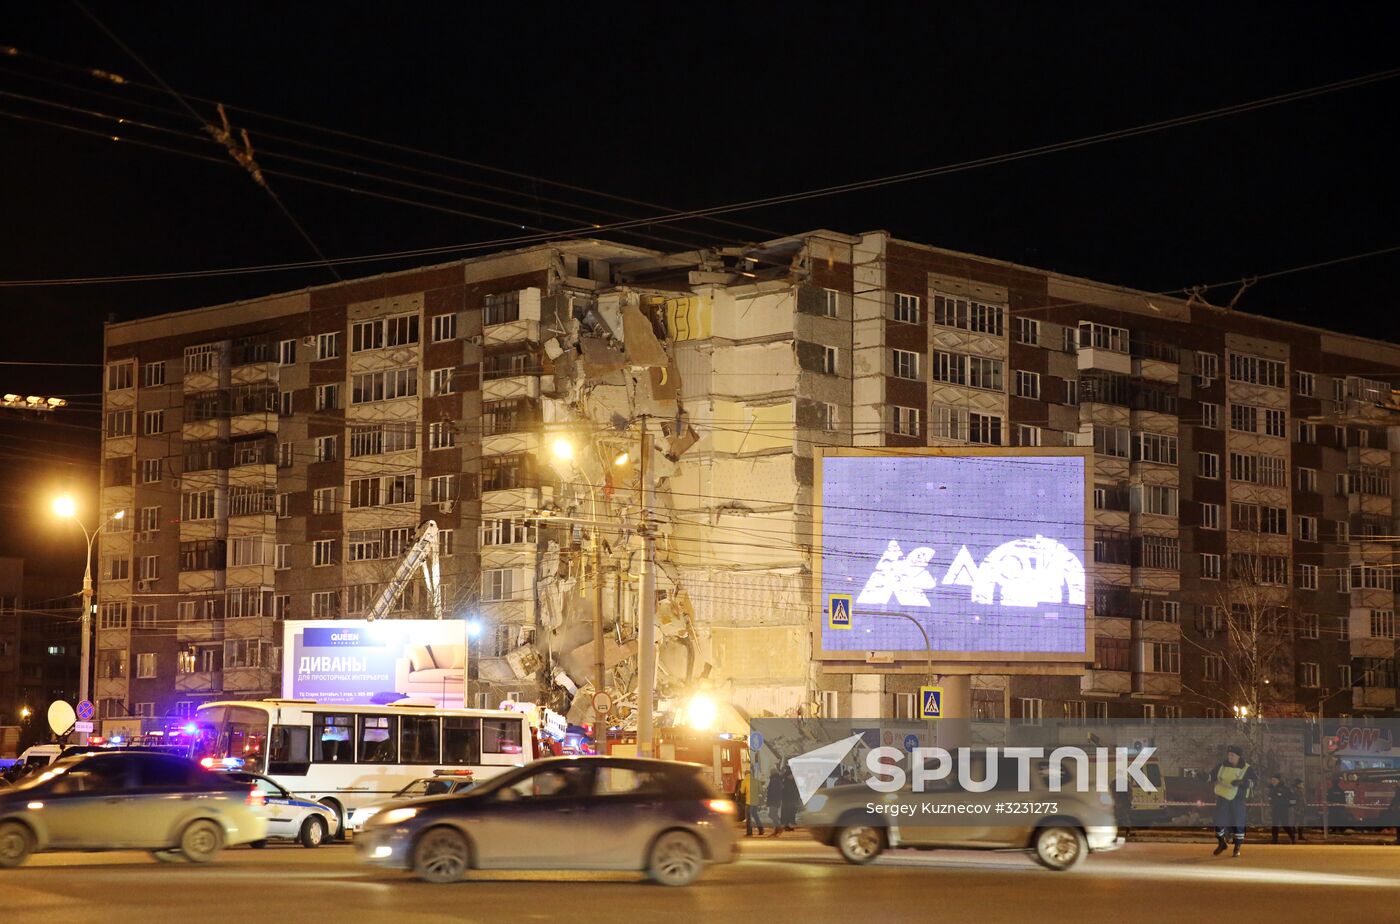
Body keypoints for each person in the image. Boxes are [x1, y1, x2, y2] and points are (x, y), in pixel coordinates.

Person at [1208, 744, 1255, 857]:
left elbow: (1254, 782)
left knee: (1237, 823)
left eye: (1232, 755)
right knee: (1218, 822)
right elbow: (1212, 776)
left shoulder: (1246, 768)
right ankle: (1222, 843)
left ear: (1238, 756)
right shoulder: (1222, 766)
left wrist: (1243, 783)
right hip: (1223, 798)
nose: (1230, 757)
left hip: (1237, 800)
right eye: (1229, 754)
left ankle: (1237, 847)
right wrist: (1205, 777)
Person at [1267, 773, 1296, 844]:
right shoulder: (1271, 789)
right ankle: (1274, 840)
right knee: (1274, 825)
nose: (1273, 781)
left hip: (1283, 810)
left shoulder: (1285, 789)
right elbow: (1270, 799)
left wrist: (1285, 805)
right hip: (1275, 809)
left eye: (1275, 780)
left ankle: (1292, 837)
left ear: (1279, 780)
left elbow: (1293, 800)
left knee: (1285, 824)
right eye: (1272, 780)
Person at [780, 763, 801, 832]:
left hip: (790, 799)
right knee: (788, 812)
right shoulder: (787, 782)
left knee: (790, 811)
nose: (792, 776)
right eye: (791, 775)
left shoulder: (788, 781)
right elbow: (787, 791)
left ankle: (787, 825)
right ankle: (786, 825)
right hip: (788, 799)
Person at [766, 766, 785, 837]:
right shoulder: (777, 779)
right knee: (774, 815)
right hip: (776, 800)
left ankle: (779, 828)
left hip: (773, 800)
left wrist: (769, 801)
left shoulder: (774, 780)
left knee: (771, 814)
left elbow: (773, 792)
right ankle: (776, 830)